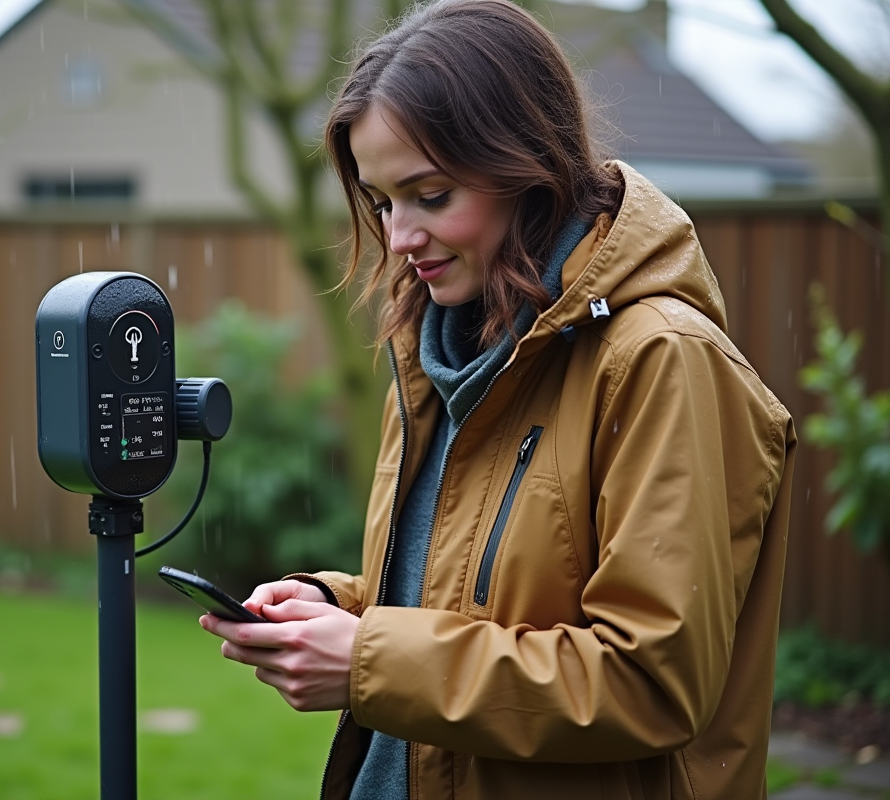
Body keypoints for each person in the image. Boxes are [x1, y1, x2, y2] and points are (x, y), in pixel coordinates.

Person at [198, 1, 797, 797]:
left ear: (529, 167)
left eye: (431, 195)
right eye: (381, 201)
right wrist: (333, 607)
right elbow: (467, 594)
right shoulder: (439, 352)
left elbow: (650, 683)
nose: (399, 235)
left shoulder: (662, 360)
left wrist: (368, 660)